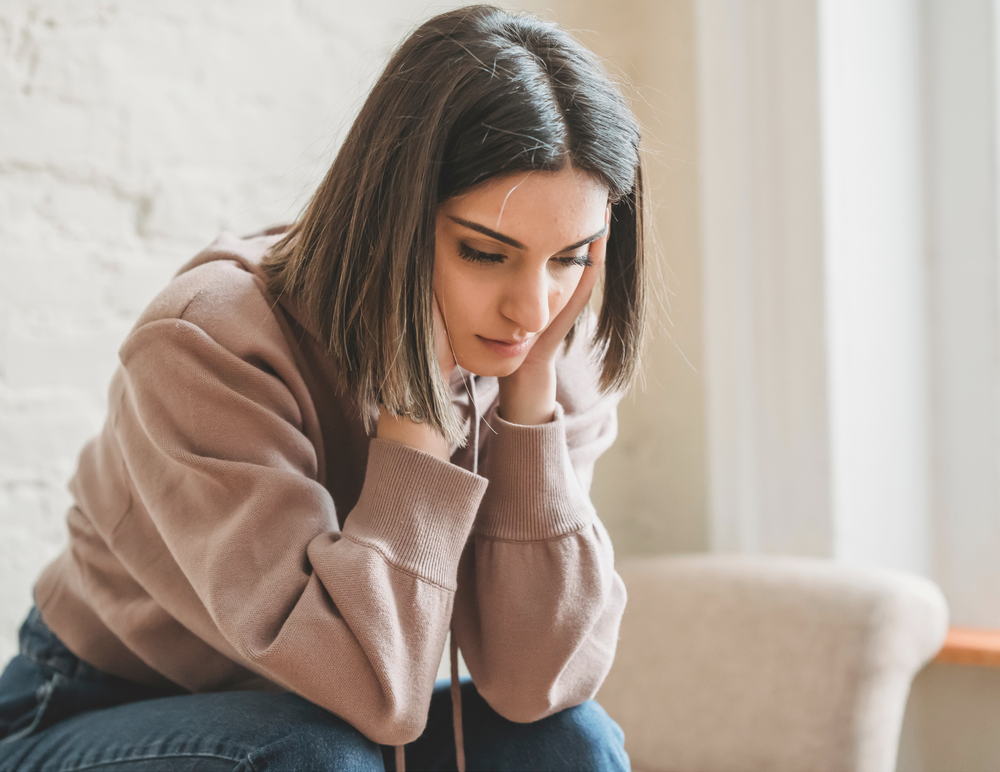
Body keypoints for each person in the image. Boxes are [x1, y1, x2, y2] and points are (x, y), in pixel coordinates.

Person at [0, 4, 645, 770]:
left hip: (339, 717)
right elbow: (371, 690)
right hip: (100, 704)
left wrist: (532, 410)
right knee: (313, 756)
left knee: (576, 743)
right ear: (392, 215)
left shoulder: (545, 357)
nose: (533, 309)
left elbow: (535, 684)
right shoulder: (210, 345)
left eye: (570, 257)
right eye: (484, 252)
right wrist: (417, 419)